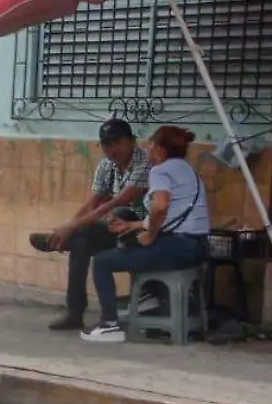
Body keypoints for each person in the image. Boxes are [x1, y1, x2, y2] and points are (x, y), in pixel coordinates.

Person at [81, 126, 211, 343]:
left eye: (150, 144)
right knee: (131, 242)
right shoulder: (188, 171)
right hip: (197, 247)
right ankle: (149, 303)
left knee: (103, 261)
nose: (147, 148)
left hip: (176, 247)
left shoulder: (160, 171)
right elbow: (172, 215)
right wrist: (133, 225)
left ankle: (110, 324)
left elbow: (160, 207)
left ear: (160, 148)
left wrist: (149, 234)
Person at [28, 119, 150, 331]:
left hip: (140, 228)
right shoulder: (106, 166)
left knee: (115, 214)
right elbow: (93, 202)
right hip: (111, 225)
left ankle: (58, 241)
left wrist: (70, 228)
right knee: (81, 242)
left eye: (116, 142)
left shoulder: (145, 163)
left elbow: (117, 201)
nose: (112, 150)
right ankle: (74, 312)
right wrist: (70, 225)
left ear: (131, 141)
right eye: (106, 145)